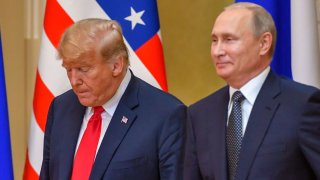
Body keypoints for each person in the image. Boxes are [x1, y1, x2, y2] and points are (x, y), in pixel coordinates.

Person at [184, 2, 320, 180]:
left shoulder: (302, 105)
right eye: (214, 40)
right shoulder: (199, 114)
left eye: (229, 39)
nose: (218, 51)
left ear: (264, 43)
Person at [40, 18, 186, 180]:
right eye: (69, 69)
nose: (74, 81)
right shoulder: (61, 108)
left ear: (116, 65)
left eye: (83, 69)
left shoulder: (166, 115)